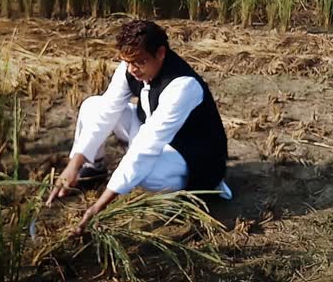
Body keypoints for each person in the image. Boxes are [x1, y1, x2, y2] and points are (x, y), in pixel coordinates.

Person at [46, 19, 231, 234]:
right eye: (127, 61)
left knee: (146, 174)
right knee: (93, 107)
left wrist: (98, 206)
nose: (132, 69)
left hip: (192, 156)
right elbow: (106, 113)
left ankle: (175, 195)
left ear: (160, 53)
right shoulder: (130, 67)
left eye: (140, 62)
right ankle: (93, 169)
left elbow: (147, 146)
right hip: (151, 132)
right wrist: (74, 165)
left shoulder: (183, 86)